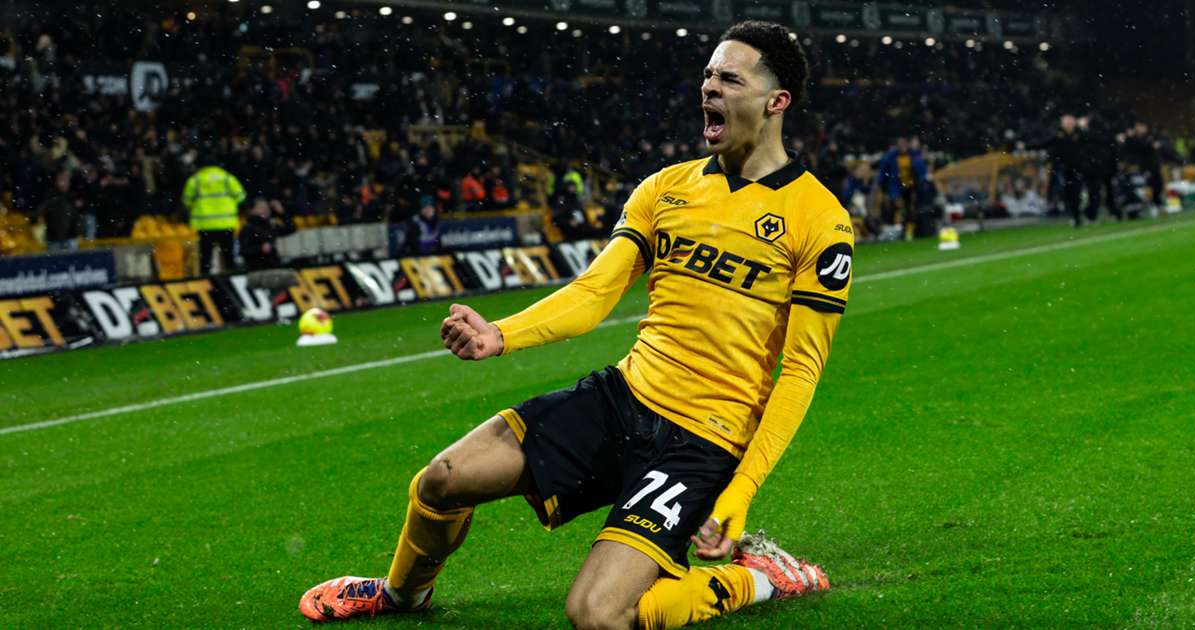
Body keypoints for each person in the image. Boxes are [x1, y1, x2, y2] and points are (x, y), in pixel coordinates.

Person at [300, 21, 849, 629]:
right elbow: (593, 294)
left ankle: (755, 579)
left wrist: (738, 493)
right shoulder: (666, 189)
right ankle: (403, 595)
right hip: (625, 398)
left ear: (777, 102)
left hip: (703, 440)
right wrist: (499, 334)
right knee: (441, 481)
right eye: (708, 75)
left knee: (597, 615)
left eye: (729, 78)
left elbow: (800, 371)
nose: (709, 88)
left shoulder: (818, 219)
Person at [182, 156, 245, 274]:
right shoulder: (227, 178)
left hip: (205, 225)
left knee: (205, 258)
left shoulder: (195, 180)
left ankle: (207, 282)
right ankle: (231, 281)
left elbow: (186, 201)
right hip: (226, 224)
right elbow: (241, 197)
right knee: (228, 257)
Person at [238, 197, 295, 271]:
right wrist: (260, 248)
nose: (266, 210)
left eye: (267, 208)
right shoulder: (248, 228)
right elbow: (244, 251)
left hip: (274, 267)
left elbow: (291, 228)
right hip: (258, 270)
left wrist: (282, 213)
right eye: (261, 208)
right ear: (252, 211)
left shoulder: (270, 225)